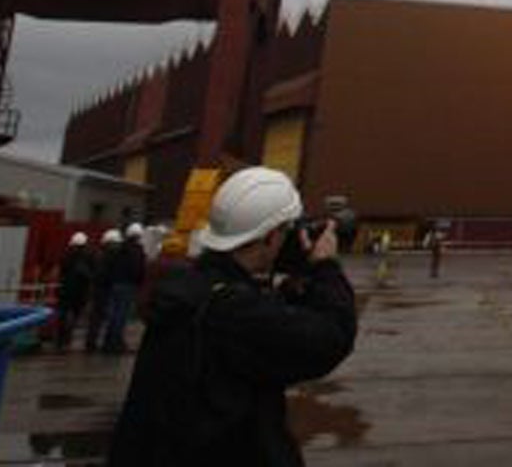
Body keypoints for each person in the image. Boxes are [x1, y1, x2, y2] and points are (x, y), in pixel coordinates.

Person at [108, 164, 355, 467]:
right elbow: (332, 336)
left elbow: (257, 325)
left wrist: (290, 291)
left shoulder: (189, 289)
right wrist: (326, 268)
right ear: (270, 236)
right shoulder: (234, 312)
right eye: (287, 229)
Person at [99, 220, 148, 353]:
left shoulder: (118, 249)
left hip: (115, 284)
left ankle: (108, 342)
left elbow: (110, 268)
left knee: (114, 314)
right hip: (128, 285)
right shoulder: (137, 251)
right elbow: (138, 270)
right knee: (121, 316)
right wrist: (138, 282)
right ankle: (115, 344)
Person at [55, 231, 95, 351]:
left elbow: (61, 272)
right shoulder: (89, 257)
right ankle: (67, 339)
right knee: (74, 316)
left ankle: (60, 341)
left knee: (63, 316)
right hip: (80, 292)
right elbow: (93, 274)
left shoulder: (66, 255)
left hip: (66, 291)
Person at [86, 229, 123, 351]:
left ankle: (91, 342)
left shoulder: (99, 253)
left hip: (99, 288)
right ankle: (107, 343)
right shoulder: (113, 255)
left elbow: (94, 272)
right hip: (107, 289)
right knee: (106, 317)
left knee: (96, 317)